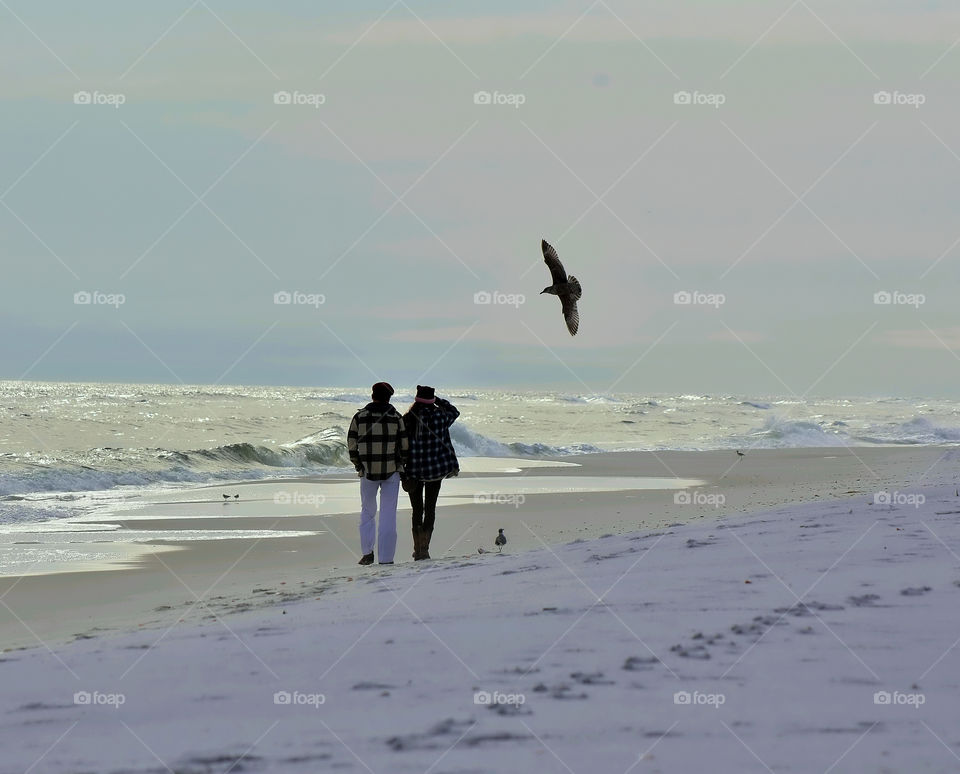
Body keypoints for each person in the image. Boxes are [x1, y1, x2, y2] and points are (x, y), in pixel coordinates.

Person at [347, 382, 408, 565]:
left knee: (367, 512)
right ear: (389, 397)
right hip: (391, 472)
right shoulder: (396, 418)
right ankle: (386, 559)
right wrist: (399, 464)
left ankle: (367, 553)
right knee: (388, 515)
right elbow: (404, 447)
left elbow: (351, 444)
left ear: (372, 395)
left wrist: (360, 465)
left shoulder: (360, 417)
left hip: (367, 472)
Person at [402, 385, 460, 560]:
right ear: (432, 400)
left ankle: (418, 549)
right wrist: (438, 401)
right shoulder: (440, 416)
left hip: (414, 471)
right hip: (435, 471)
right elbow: (454, 411)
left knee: (417, 510)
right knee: (431, 509)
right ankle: (425, 548)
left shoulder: (408, 418)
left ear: (416, 400)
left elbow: (402, 444)